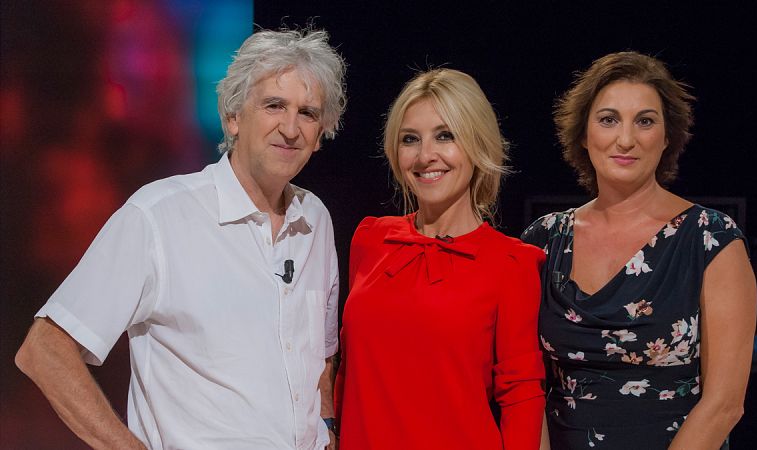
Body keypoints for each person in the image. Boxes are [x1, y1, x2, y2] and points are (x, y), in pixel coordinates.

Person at [15, 28, 346, 450]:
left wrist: (326, 426)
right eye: (274, 105)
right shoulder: (158, 215)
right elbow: (44, 350)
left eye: (308, 113)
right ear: (234, 117)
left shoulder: (315, 219)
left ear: (320, 135)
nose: (291, 127)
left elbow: (319, 355)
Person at [521, 51, 757, 449]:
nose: (626, 139)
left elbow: (724, 405)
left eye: (645, 121)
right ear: (583, 134)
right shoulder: (543, 240)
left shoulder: (711, 238)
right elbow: (523, 388)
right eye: (608, 119)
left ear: (667, 138)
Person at [335, 68, 545, 449]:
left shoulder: (511, 263)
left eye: (445, 136)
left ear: (478, 145)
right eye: (410, 139)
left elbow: (522, 398)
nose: (425, 155)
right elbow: (347, 373)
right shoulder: (371, 239)